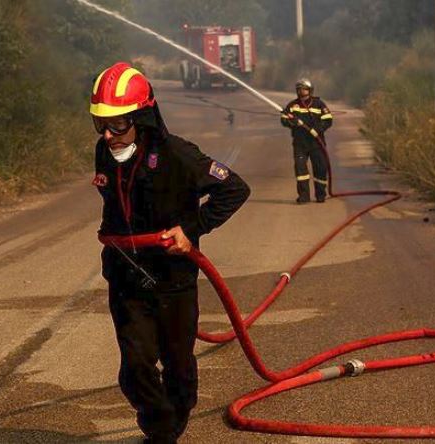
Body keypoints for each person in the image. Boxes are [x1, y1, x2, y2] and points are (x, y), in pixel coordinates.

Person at [90, 62, 250, 443]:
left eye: (118, 125)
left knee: (177, 367)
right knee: (136, 367)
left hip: (173, 280)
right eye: (101, 125)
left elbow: (235, 189)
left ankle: (171, 420)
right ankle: (161, 431)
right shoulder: (105, 153)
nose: (109, 135)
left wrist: (190, 229)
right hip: (126, 277)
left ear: (143, 119)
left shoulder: (178, 155)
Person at [280, 78, 333, 203]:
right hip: (300, 143)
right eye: (299, 89)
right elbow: (283, 119)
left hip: (316, 142)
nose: (302, 91)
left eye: (304, 89)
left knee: (320, 168)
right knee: (300, 170)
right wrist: (291, 122)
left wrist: (317, 129)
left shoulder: (319, 104)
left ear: (310, 90)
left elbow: (328, 119)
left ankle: (320, 195)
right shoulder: (293, 105)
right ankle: (304, 196)